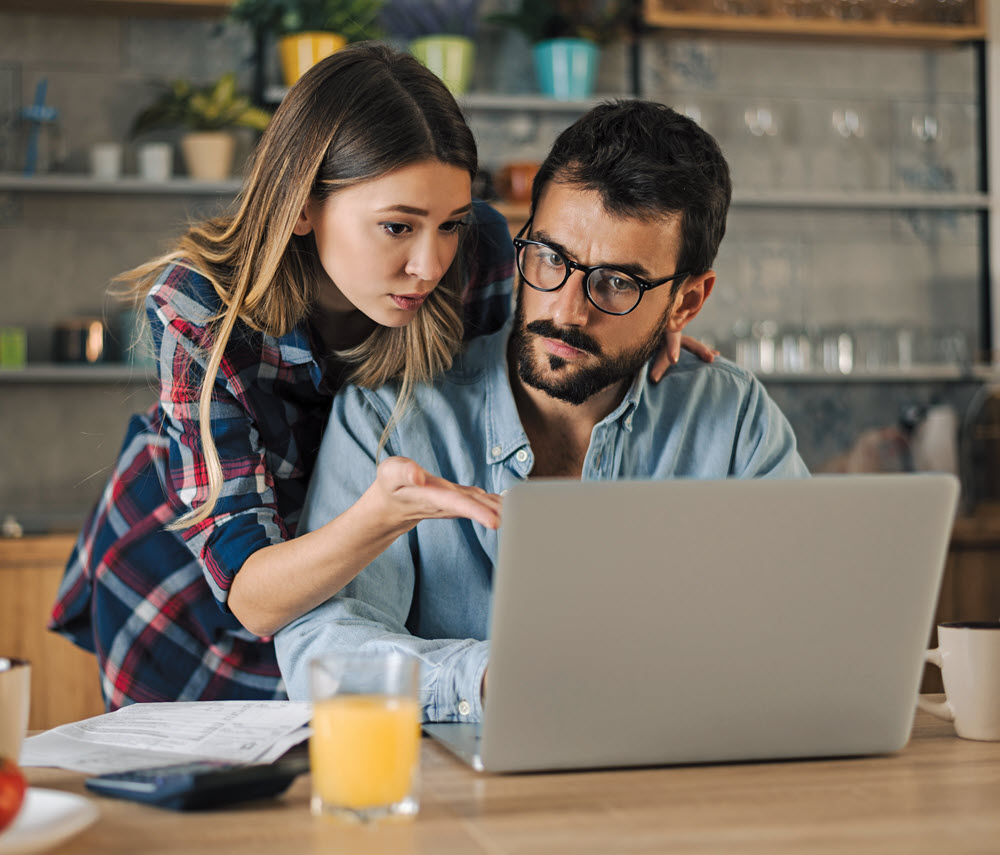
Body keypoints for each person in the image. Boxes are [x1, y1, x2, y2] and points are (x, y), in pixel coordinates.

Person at [49, 45, 703, 709]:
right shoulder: (199, 308)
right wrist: (377, 516)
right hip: (201, 599)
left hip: (344, 606)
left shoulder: (470, 252)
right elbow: (251, 596)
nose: (428, 263)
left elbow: (556, 316)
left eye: (448, 224)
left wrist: (640, 320)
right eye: (397, 226)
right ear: (304, 206)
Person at [275, 100, 810, 718]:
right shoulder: (389, 415)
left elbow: (799, 622)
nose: (567, 311)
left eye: (618, 283)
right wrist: (487, 680)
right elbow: (325, 652)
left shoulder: (734, 417)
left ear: (686, 303)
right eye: (550, 259)